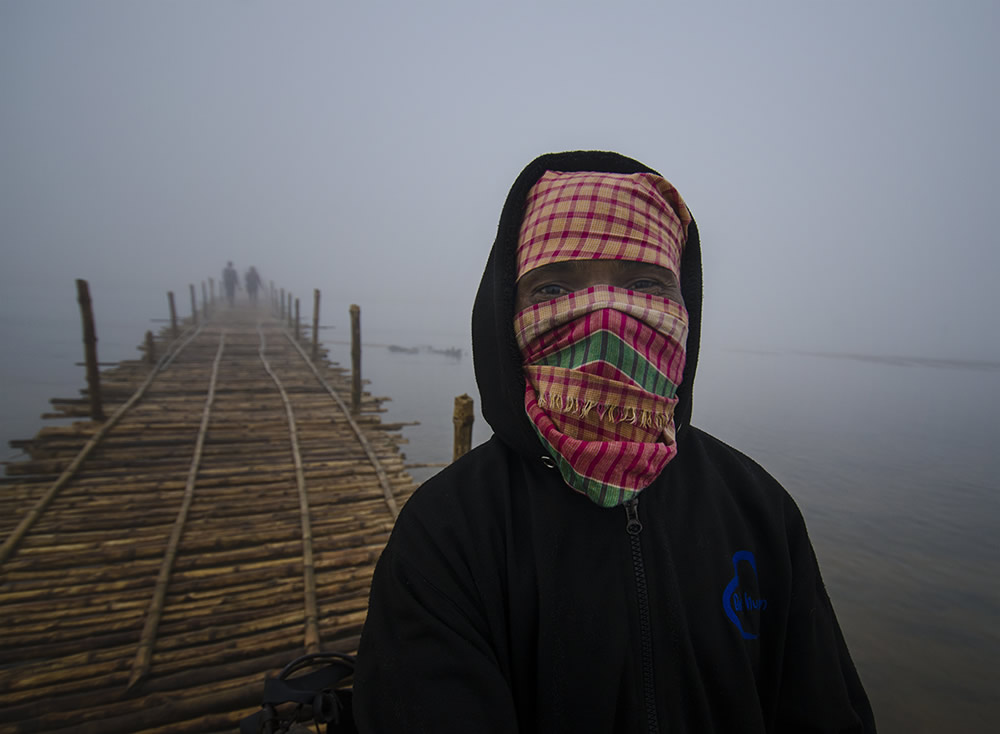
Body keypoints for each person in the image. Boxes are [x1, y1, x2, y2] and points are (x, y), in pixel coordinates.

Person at [354, 151, 876, 733]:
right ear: (507, 315)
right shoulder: (449, 531)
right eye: (553, 289)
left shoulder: (758, 511)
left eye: (645, 283)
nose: (606, 312)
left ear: (686, 309)